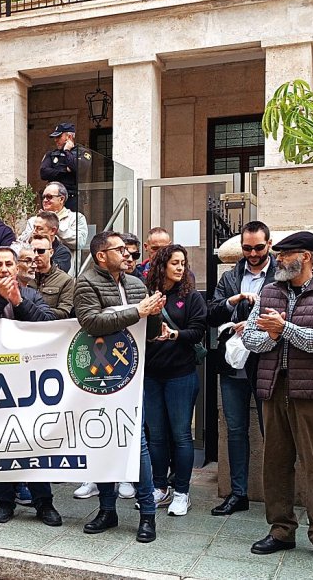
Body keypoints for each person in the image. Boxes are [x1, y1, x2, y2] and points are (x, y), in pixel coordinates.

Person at [242, 231, 313, 569]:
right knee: (274, 463)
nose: (277, 259)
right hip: (274, 388)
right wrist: (273, 334)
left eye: (285, 254)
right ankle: (281, 530)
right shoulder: (269, 291)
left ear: (306, 257)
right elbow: (250, 337)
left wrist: (284, 329)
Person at [73, 230, 165, 542]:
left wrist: (155, 311)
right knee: (102, 440)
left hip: (132, 374)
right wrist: (137, 312)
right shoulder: (85, 282)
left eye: (128, 251)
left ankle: (148, 514)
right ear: (101, 256)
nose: (127, 255)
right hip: (99, 376)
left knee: (136, 444)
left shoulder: (137, 284)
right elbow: (90, 322)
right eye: (120, 250)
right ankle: (107, 510)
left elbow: (149, 331)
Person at [0, 246, 61, 527]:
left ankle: (45, 503)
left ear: (17, 268)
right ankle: (4, 501)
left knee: (34, 442)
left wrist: (18, 303)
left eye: (9, 264)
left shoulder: (30, 294)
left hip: (29, 384)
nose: (4, 269)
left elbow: (48, 325)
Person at [205, 221, 276, 516]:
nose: (253, 253)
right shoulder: (231, 276)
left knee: (272, 432)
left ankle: (277, 497)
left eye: (259, 247)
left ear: (269, 245)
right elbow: (210, 312)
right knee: (235, 431)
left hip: (267, 364)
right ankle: (238, 493)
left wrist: (257, 321)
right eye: (247, 248)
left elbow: (292, 314)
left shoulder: (280, 275)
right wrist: (230, 303)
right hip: (233, 365)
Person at [144, 244, 207, 516]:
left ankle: (182, 492)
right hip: (151, 375)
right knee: (156, 436)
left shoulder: (191, 297)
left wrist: (174, 335)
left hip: (181, 376)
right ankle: (159, 487)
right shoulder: (147, 295)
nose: (181, 267)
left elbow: (198, 331)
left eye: (183, 262)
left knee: (181, 436)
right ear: (162, 266)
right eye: (174, 263)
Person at [19, 182, 89, 252]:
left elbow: (79, 242)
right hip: (37, 261)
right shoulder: (33, 220)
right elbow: (21, 243)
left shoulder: (76, 218)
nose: (45, 200)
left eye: (49, 197)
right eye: (43, 197)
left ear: (61, 199)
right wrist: (38, 228)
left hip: (64, 262)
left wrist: (53, 223)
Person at [38, 122, 91, 212]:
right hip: (53, 199)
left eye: (59, 136)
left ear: (69, 137)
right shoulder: (51, 154)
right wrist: (65, 170)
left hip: (72, 199)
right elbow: (44, 172)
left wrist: (67, 151)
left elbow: (79, 169)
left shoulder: (82, 153)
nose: (55, 140)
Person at [28, 235, 74, 319]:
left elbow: (65, 312)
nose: (36, 255)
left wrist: (34, 310)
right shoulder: (24, 277)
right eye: (32, 251)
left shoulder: (65, 280)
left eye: (41, 251)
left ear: (51, 252)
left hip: (51, 328)